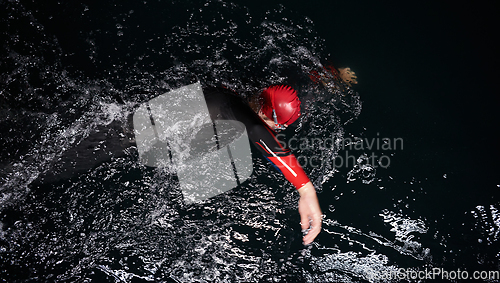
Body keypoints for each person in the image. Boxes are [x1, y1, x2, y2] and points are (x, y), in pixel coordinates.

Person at [203, 85, 322, 245]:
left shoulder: (243, 93)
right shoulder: (232, 107)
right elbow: (257, 129)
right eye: (277, 126)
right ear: (263, 113)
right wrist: (306, 190)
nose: (275, 131)